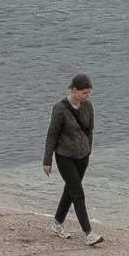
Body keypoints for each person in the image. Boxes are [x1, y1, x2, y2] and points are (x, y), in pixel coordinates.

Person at [43, 74, 101, 246]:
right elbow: (52, 135)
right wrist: (47, 161)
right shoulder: (60, 109)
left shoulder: (88, 106)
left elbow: (90, 130)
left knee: (70, 190)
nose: (86, 97)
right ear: (74, 90)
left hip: (83, 156)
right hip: (64, 156)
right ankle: (89, 233)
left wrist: (88, 150)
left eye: (89, 94)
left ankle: (57, 223)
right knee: (78, 193)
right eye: (84, 93)